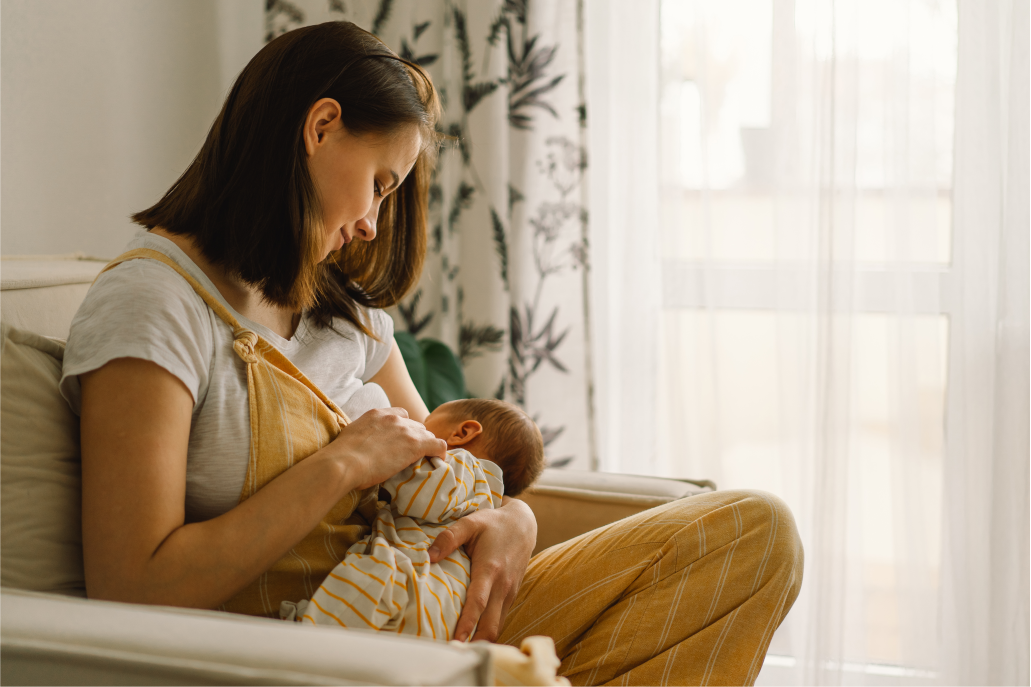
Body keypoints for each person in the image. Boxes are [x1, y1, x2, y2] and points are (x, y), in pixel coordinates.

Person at [62, 21, 803, 685]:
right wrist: (341, 465)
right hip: (318, 644)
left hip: (431, 618)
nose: (370, 225)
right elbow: (132, 585)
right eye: (379, 185)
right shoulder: (153, 304)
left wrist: (515, 518)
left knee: (754, 532)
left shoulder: (342, 311)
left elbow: (447, 474)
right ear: (320, 127)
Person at [285, 399, 546, 638]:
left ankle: (305, 639)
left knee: (349, 608)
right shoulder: (482, 498)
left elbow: (425, 491)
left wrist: (381, 453)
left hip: (408, 576)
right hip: (439, 604)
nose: (416, 428)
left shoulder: (466, 468)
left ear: (462, 432)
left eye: (424, 422)